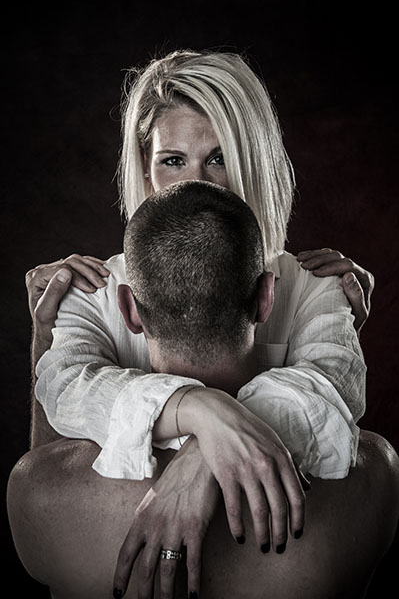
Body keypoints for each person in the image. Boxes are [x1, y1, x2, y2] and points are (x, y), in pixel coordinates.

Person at [24, 49, 373, 585]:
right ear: (145, 169)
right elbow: (59, 430)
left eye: (218, 158)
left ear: (251, 163)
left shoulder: (313, 287)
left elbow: (331, 394)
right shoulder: (94, 291)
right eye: (173, 160)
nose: (201, 183)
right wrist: (198, 409)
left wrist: (199, 463)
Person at [8, 181, 398, 599]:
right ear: (266, 298)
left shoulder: (39, 489)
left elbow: (52, 439)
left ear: (129, 311)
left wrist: (202, 431)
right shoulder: (373, 476)